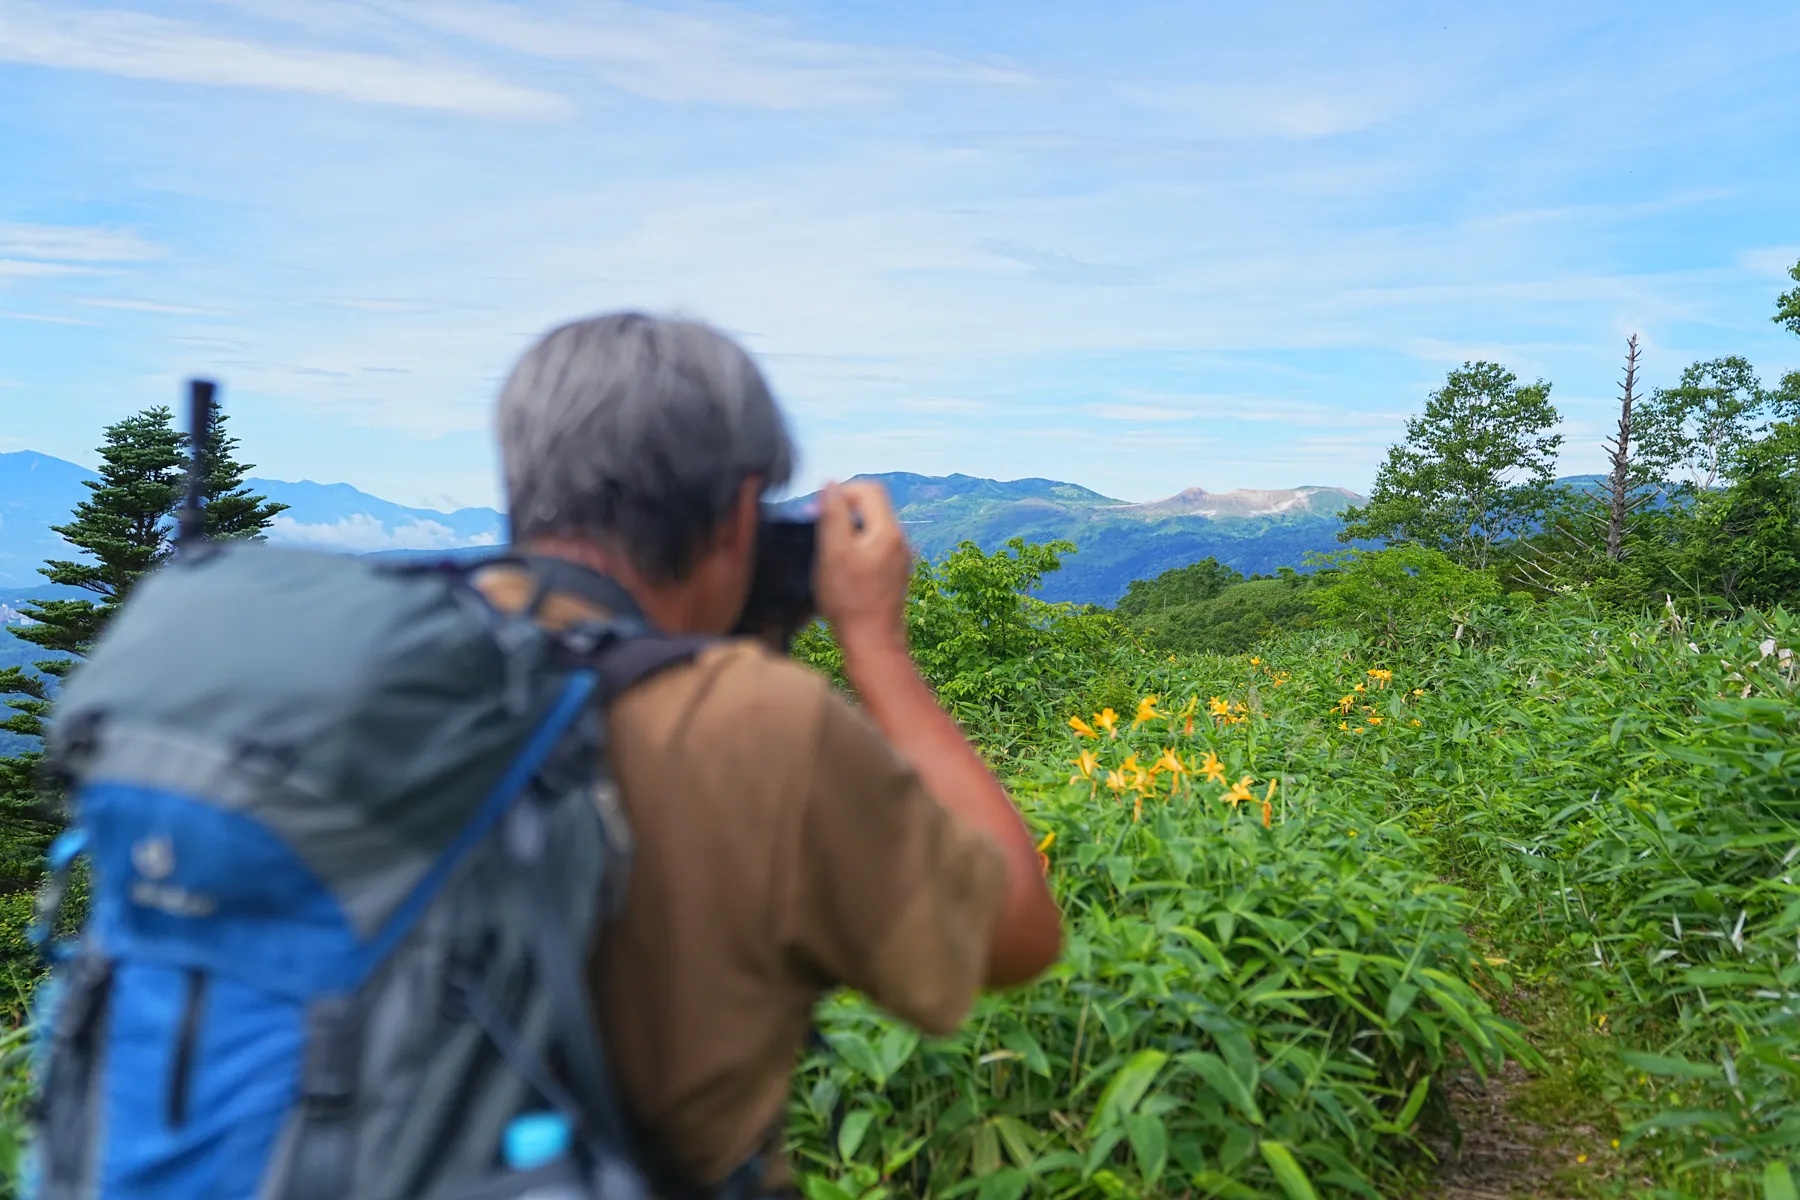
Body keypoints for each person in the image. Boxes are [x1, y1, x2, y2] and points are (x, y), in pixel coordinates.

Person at [475, 311, 1065, 1197]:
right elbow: (1016, 932)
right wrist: (878, 650)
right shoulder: (753, 720)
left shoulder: (377, 675)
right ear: (736, 514)